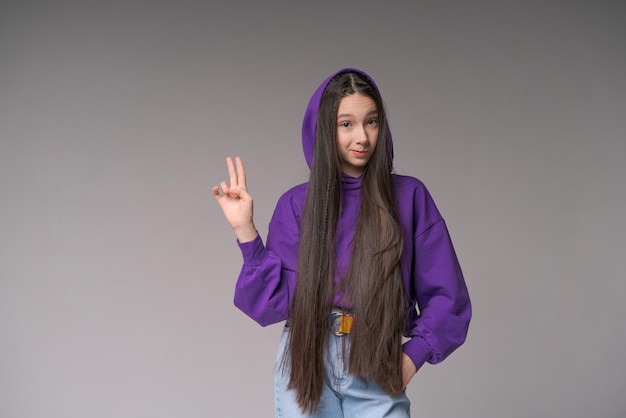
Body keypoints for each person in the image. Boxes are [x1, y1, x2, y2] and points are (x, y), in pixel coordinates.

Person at [212, 68, 471, 417]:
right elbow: (271, 304)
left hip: (375, 355)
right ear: (324, 130)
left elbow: (448, 295)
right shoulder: (296, 205)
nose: (362, 136)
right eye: (346, 124)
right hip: (307, 360)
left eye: (372, 121)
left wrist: (411, 359)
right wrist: (244, 230)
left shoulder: (409, 197)